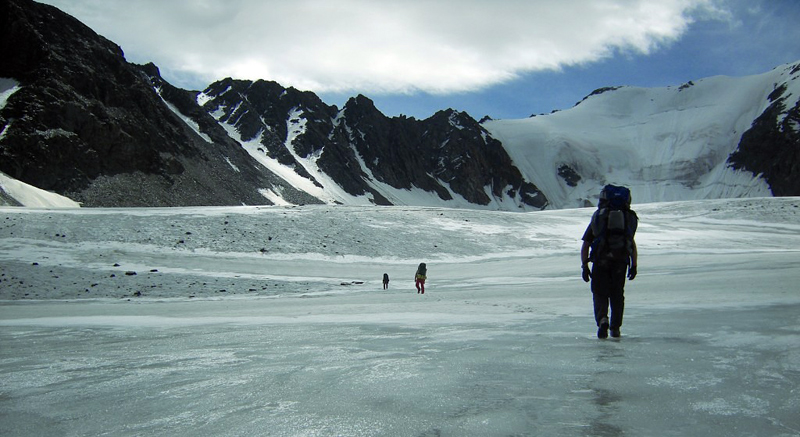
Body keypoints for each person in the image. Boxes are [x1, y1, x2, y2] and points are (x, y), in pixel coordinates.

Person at [580, 185, 638, 339]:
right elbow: (631, 243)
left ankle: (602, 320)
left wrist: (585, 265)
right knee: (617, 294)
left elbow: (586, 244)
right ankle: (615, 327)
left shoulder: (600, 217)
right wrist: (634, 265)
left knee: (599, 293)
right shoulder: (627, 218)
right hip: (621, 261)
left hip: (601, 261)